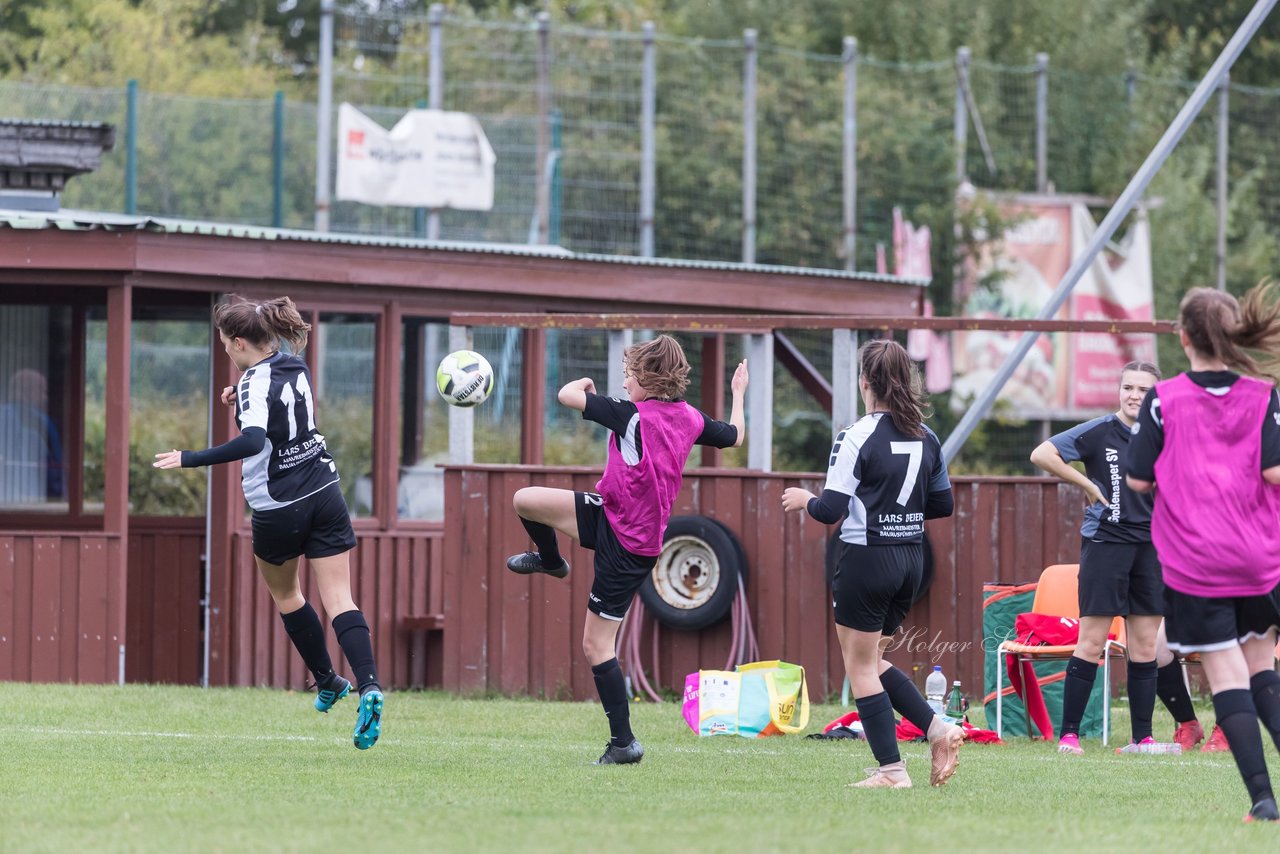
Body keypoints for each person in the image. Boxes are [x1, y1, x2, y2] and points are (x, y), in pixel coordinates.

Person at [505, 335, 748, 765]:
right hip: (609, 513)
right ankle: (550, 560)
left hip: (630, 547)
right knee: (525, 500)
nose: (624, 383)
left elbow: (566, 395)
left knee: (596, 646)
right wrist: (737, 395)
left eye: (627, 376)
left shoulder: (629, 414)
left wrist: (585, 383)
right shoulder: (689, 417)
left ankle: (623, 744)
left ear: (643, 380)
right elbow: (734, 436)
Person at [154, 296, 384, 750]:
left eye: (224, 343)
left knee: (287, 594)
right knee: (340, 598)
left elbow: (254, 440)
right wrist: (237, 395)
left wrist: (190, 458)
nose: (224, 350)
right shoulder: (293, 364)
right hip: (325, 491)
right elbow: (274, 403)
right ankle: (371, 685)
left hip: (280, 505)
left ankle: (327, 681)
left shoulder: (251, 383)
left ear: (239, 341)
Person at [1127, 283, 1280, 823]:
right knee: (1263, 668)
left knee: (1227, 675)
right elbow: (1274, 472)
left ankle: (1263, 801)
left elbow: (1138, 479)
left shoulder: (1164, 399)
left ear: (1184, 336)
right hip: (1259, 557)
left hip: (1198, 562)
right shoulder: (1263, 394)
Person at [782, 339, 961, 789]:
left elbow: (829, 511)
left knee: (860, 666)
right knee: (872, 659)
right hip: (910, 560)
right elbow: (943, 504)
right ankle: (937, 728)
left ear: (864, 381)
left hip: (867, 559)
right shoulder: (927, 435)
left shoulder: (856, 434)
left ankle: (892, 771)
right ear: (906, 380)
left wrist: (806, 499)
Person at [1029, 360, 1167, 754]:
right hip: (1106, 544)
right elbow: (1042, 453)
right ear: (1119, 390)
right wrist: (1085, 481)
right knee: (1090, 642)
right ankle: (1069, 736)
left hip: (1153, 549)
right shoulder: (1099, 431)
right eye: (1128, 388)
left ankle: (1142, 738)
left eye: (1143, 390)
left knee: (1144, 646)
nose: (1135, 396)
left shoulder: (1169, 434)